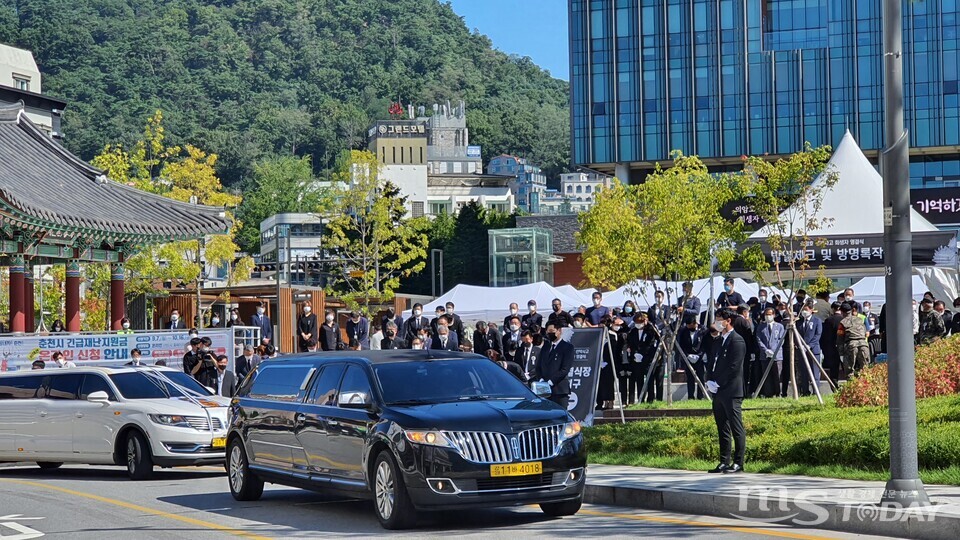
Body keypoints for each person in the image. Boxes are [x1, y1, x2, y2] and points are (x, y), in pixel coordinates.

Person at [706, 308, 746, 474]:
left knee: (736, 427)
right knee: (722, 427)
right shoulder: (719, 340)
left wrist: (719, 382)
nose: (716, 322)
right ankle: (724, 461)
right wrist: (709, 379)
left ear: (728, 320)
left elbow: (734, 367)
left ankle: (738, 462)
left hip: (731, 390)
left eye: (719, 319)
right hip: (718, 390)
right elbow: (712, 362)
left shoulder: (737, 340)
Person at [533, 322, 575, 410]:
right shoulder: (546, 347)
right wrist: (541, 379)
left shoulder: (567, 347)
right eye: (548, 332)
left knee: (560, 415)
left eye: (552, 331)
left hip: (559, 390)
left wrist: (550, 382)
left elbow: (564, 369)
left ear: (559, 331)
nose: (549, 334)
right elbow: (538, 366)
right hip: (544, 390)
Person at [628, 313, 660, 403]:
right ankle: (640, 398)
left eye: (640, 321)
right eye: (636, 322)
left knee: (649, 379)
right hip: (636, 360)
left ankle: (650, 398)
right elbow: (631, 344)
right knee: (639, 380)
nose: (638, 323)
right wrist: (635, 354)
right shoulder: (633, 332)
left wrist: (643, 355)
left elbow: (650, 345)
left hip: (647, 359)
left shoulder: (650, 331)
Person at [754, 307, 784, 398]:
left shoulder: (779, 326)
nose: (768, 316)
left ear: (774, 315)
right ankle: (768, 393)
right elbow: (758, 339)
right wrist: (766, 350)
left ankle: (778, 393)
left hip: (777, 355)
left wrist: (773, 351)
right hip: (765, 355)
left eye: (770, 314)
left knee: (777, 375)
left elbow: (781, 340)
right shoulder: (761, 326)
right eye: (766, 314)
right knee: (767, 376)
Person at [796, 301, 823, 396]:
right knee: (803, 372)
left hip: (813, 350)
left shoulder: (817, 321)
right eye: (803, 310)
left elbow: (817, 335)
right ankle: (805, 391)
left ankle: (816, 391)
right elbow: (796, 336)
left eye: (806, 310)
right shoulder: (798, 322)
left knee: (815, 372)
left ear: (811, 310)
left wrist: (809, 345)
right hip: (802, 350)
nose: (804, 312)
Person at [677, 315, 706, 400]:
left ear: (695, 323)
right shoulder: (683, 331)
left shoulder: (702, 330)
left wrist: (699, 355)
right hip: (688, 358)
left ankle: (701, 396)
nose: (689, 327)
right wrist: (687, 355)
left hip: (699, 358)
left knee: (701, 377)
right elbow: (681, 344)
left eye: (691, 325)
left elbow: (704, 345)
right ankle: (691, 396)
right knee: (690, 378)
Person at [837, 302, 870, 377]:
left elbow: (840, 339)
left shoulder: (842, 322)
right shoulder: (860, 320)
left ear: (842, 312)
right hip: (864, 345)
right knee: (865, 371)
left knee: (849, 372)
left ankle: (851, 387)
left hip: (851, 346)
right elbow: (865, 333)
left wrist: (841, 353)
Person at [821, 302, 844, 383]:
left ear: (833, 309)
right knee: (846, 368)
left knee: (834, 369)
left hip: (832, 347)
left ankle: (834, 386)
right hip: (844, 347)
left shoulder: (828, 320)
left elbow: (825, 336)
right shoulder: (844, 319)